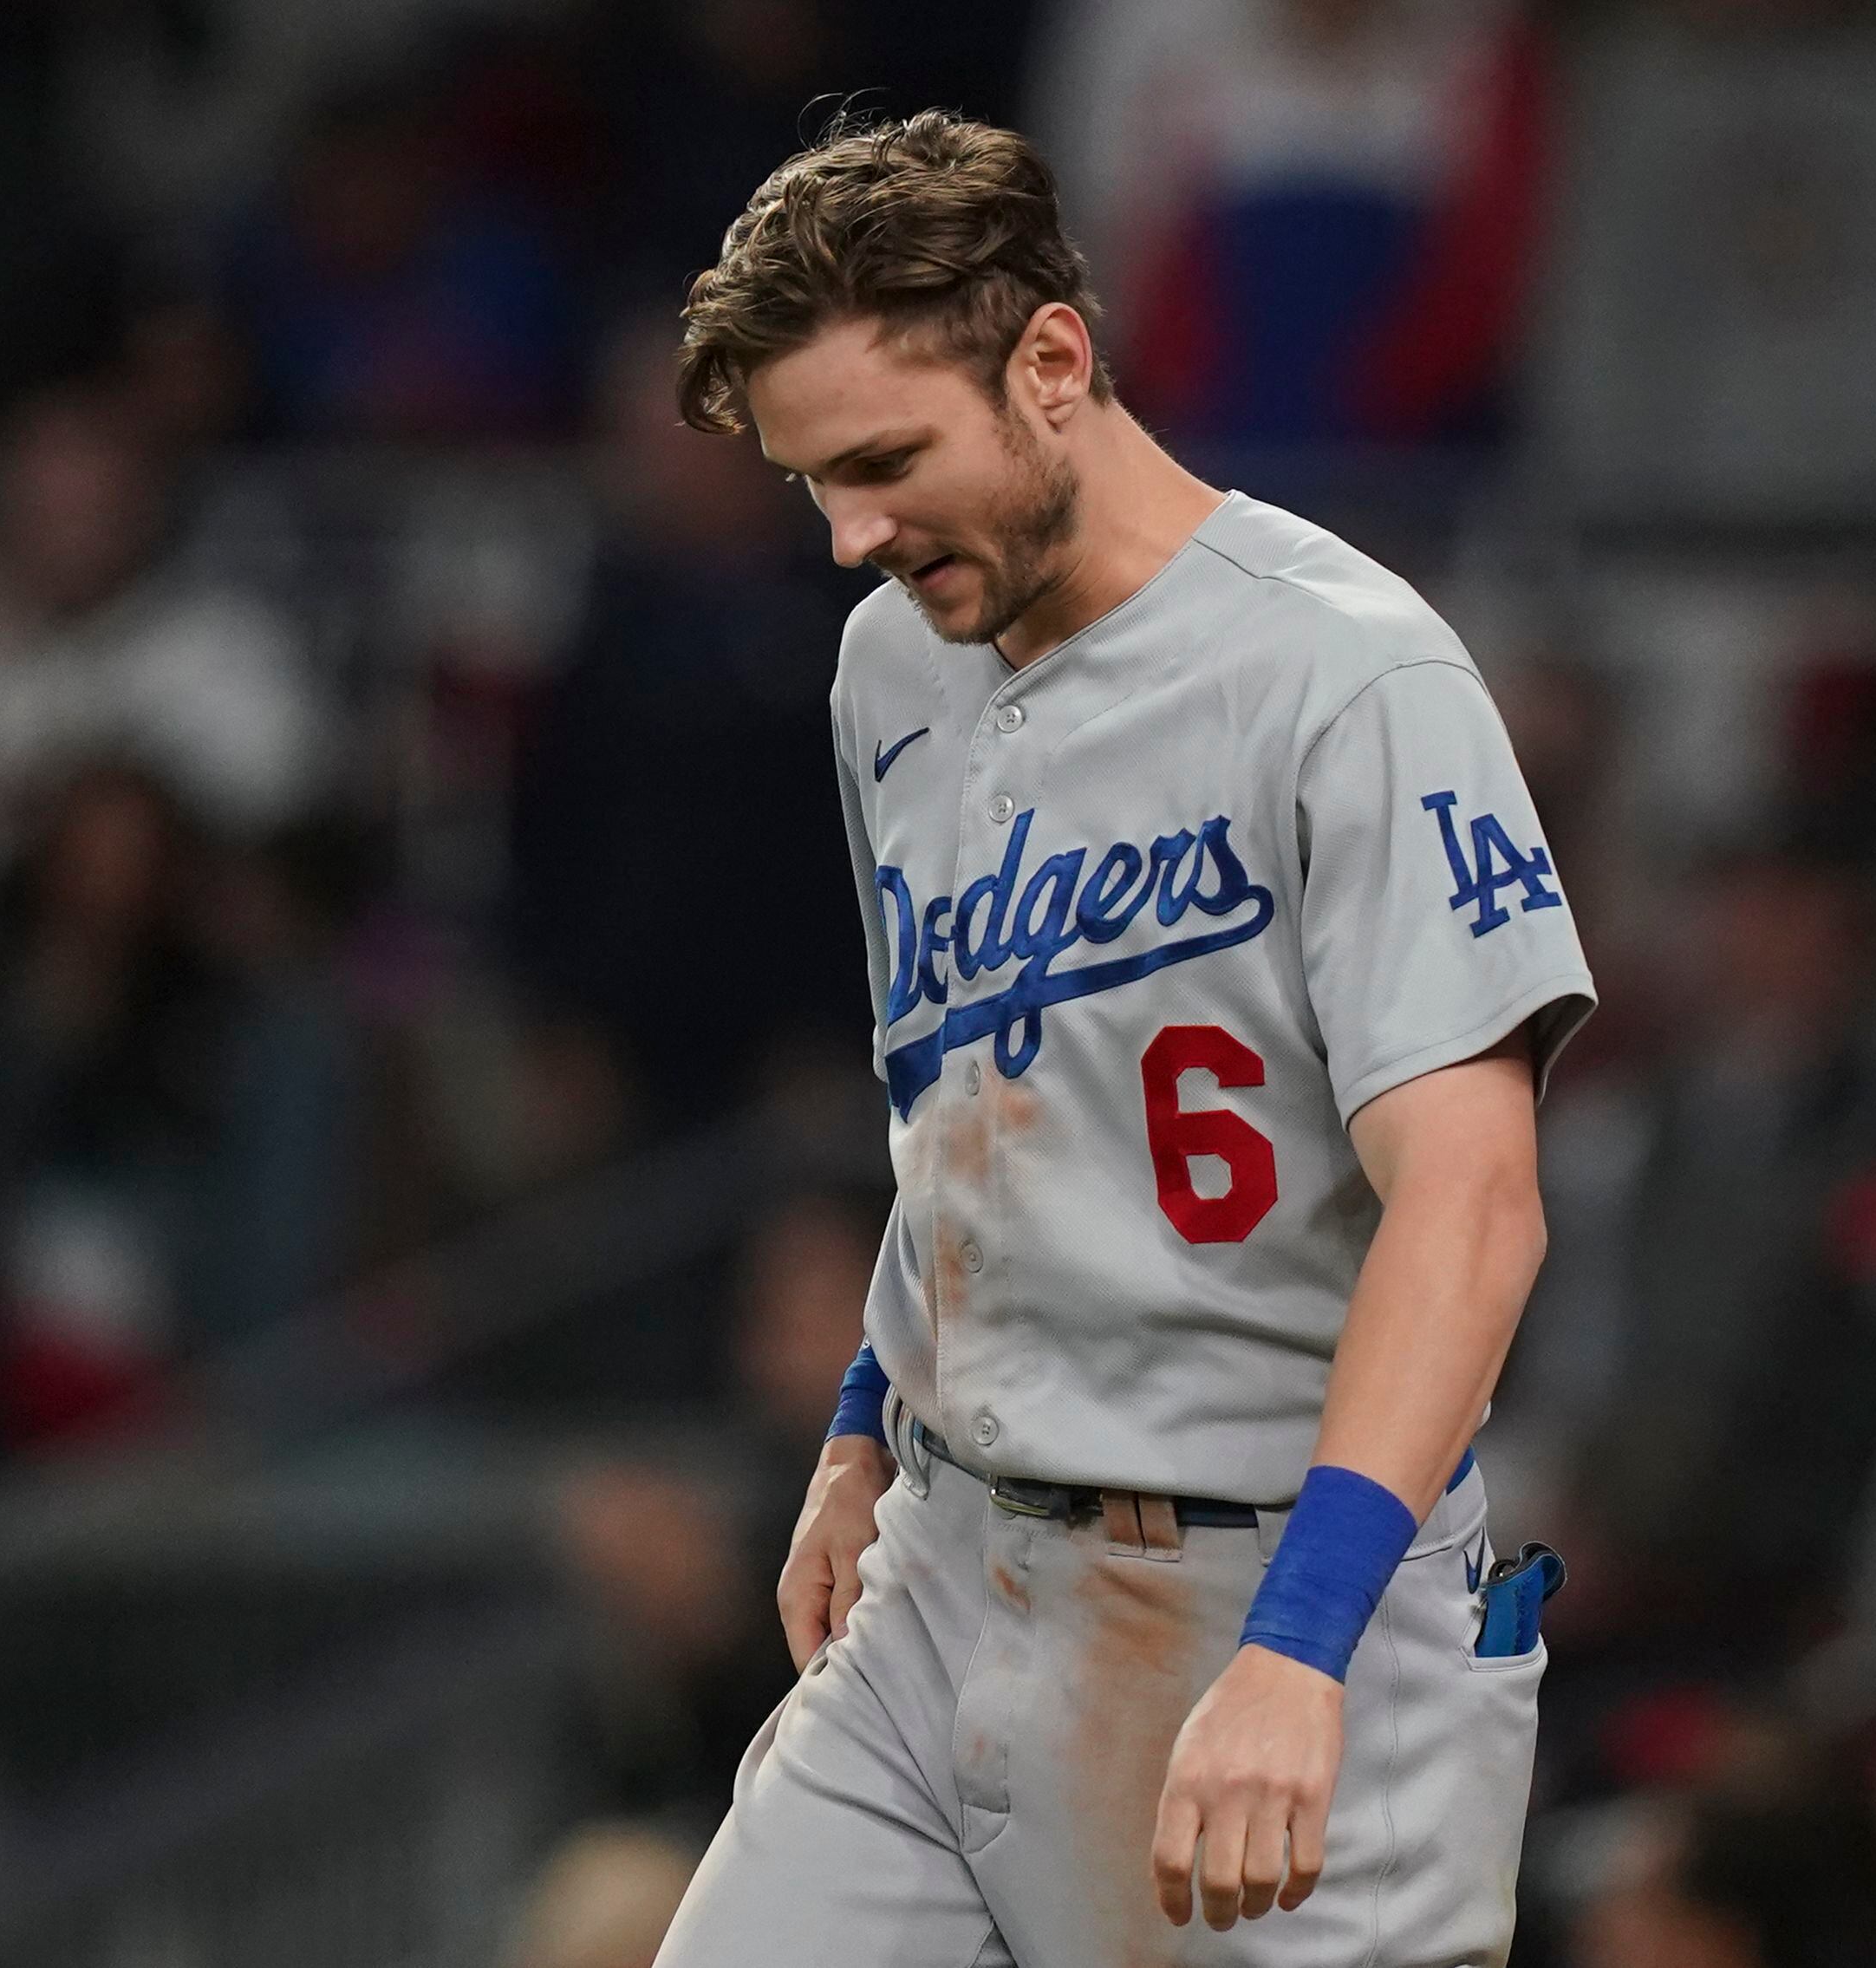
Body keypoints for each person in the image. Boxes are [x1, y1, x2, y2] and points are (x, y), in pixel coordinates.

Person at [653, 111, 1596, 1964]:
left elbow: (1474, 1208)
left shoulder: (1346, 677)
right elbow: (972, 1099)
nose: (848, 532)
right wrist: (862, 1418)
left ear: (1053, 364)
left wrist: (1296, 1647)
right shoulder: (892, 667)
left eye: (884, 461)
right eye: (810, 485)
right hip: (944, 1573)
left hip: (1264, 1581)